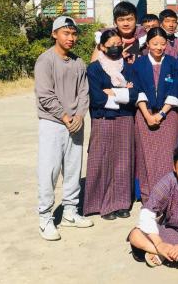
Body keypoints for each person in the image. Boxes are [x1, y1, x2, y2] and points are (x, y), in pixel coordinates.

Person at [34, 16, 92, 240]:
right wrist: (65, 117)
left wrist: (79, 115)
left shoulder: (78, 62)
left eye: (74, 34)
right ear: (54, 34)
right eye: (66, 33)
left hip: (75, 122)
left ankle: (70, 211)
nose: (71, 38)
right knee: (49, 170)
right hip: (53, 123)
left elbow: (84, 92)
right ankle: (45, 217)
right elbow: (45, 95)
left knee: (73, 169)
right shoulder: (45, 61)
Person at [84, 30, 138, 220]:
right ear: (102, 47)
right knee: (103, 160)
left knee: (123, 161)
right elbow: (97, 98)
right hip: (103, 119)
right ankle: (102, 204)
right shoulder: (94, 69)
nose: (116, 48)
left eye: (118, 44)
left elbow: (134, 95)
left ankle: (122, 203)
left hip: (125, 119)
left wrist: (112, 92)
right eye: (111, 45)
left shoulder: (128, 67)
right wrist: (123, 92)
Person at [132, 27, 178, 203]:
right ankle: (148, 196)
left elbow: (176, 89)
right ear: (147, 43)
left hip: (167, 115)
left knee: (167, 155)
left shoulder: (173, 63)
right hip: (144, 114)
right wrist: (147, 116)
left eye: (162, 44)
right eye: (155, 43)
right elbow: (137, 90)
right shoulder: (139, 64)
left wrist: (161, 114)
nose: (159, 47)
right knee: (146, 156)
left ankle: (168, 196)